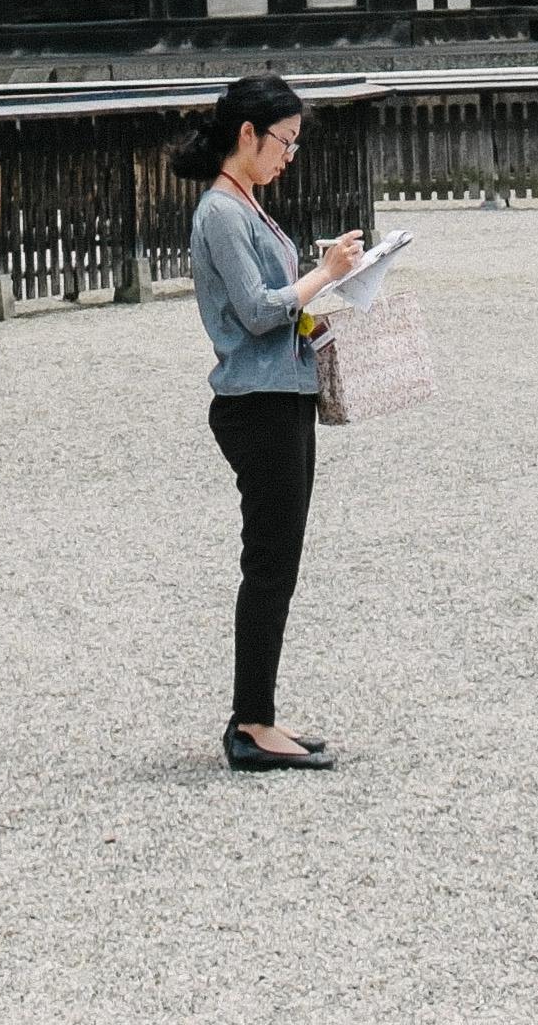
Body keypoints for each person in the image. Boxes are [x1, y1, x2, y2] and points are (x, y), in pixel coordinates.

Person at [177, 71, 365, 771]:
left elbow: (275, 305)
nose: (289, 155)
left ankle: (260, 715)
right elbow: (257, 310)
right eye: (283, 140)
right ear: (246, 134)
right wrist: (326, 273)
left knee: (277, 563)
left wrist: (332, 280)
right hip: (255, 403)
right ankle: (249, 724)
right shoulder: (220, 213)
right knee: (267, 564)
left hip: (280, 393)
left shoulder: (247, 206)